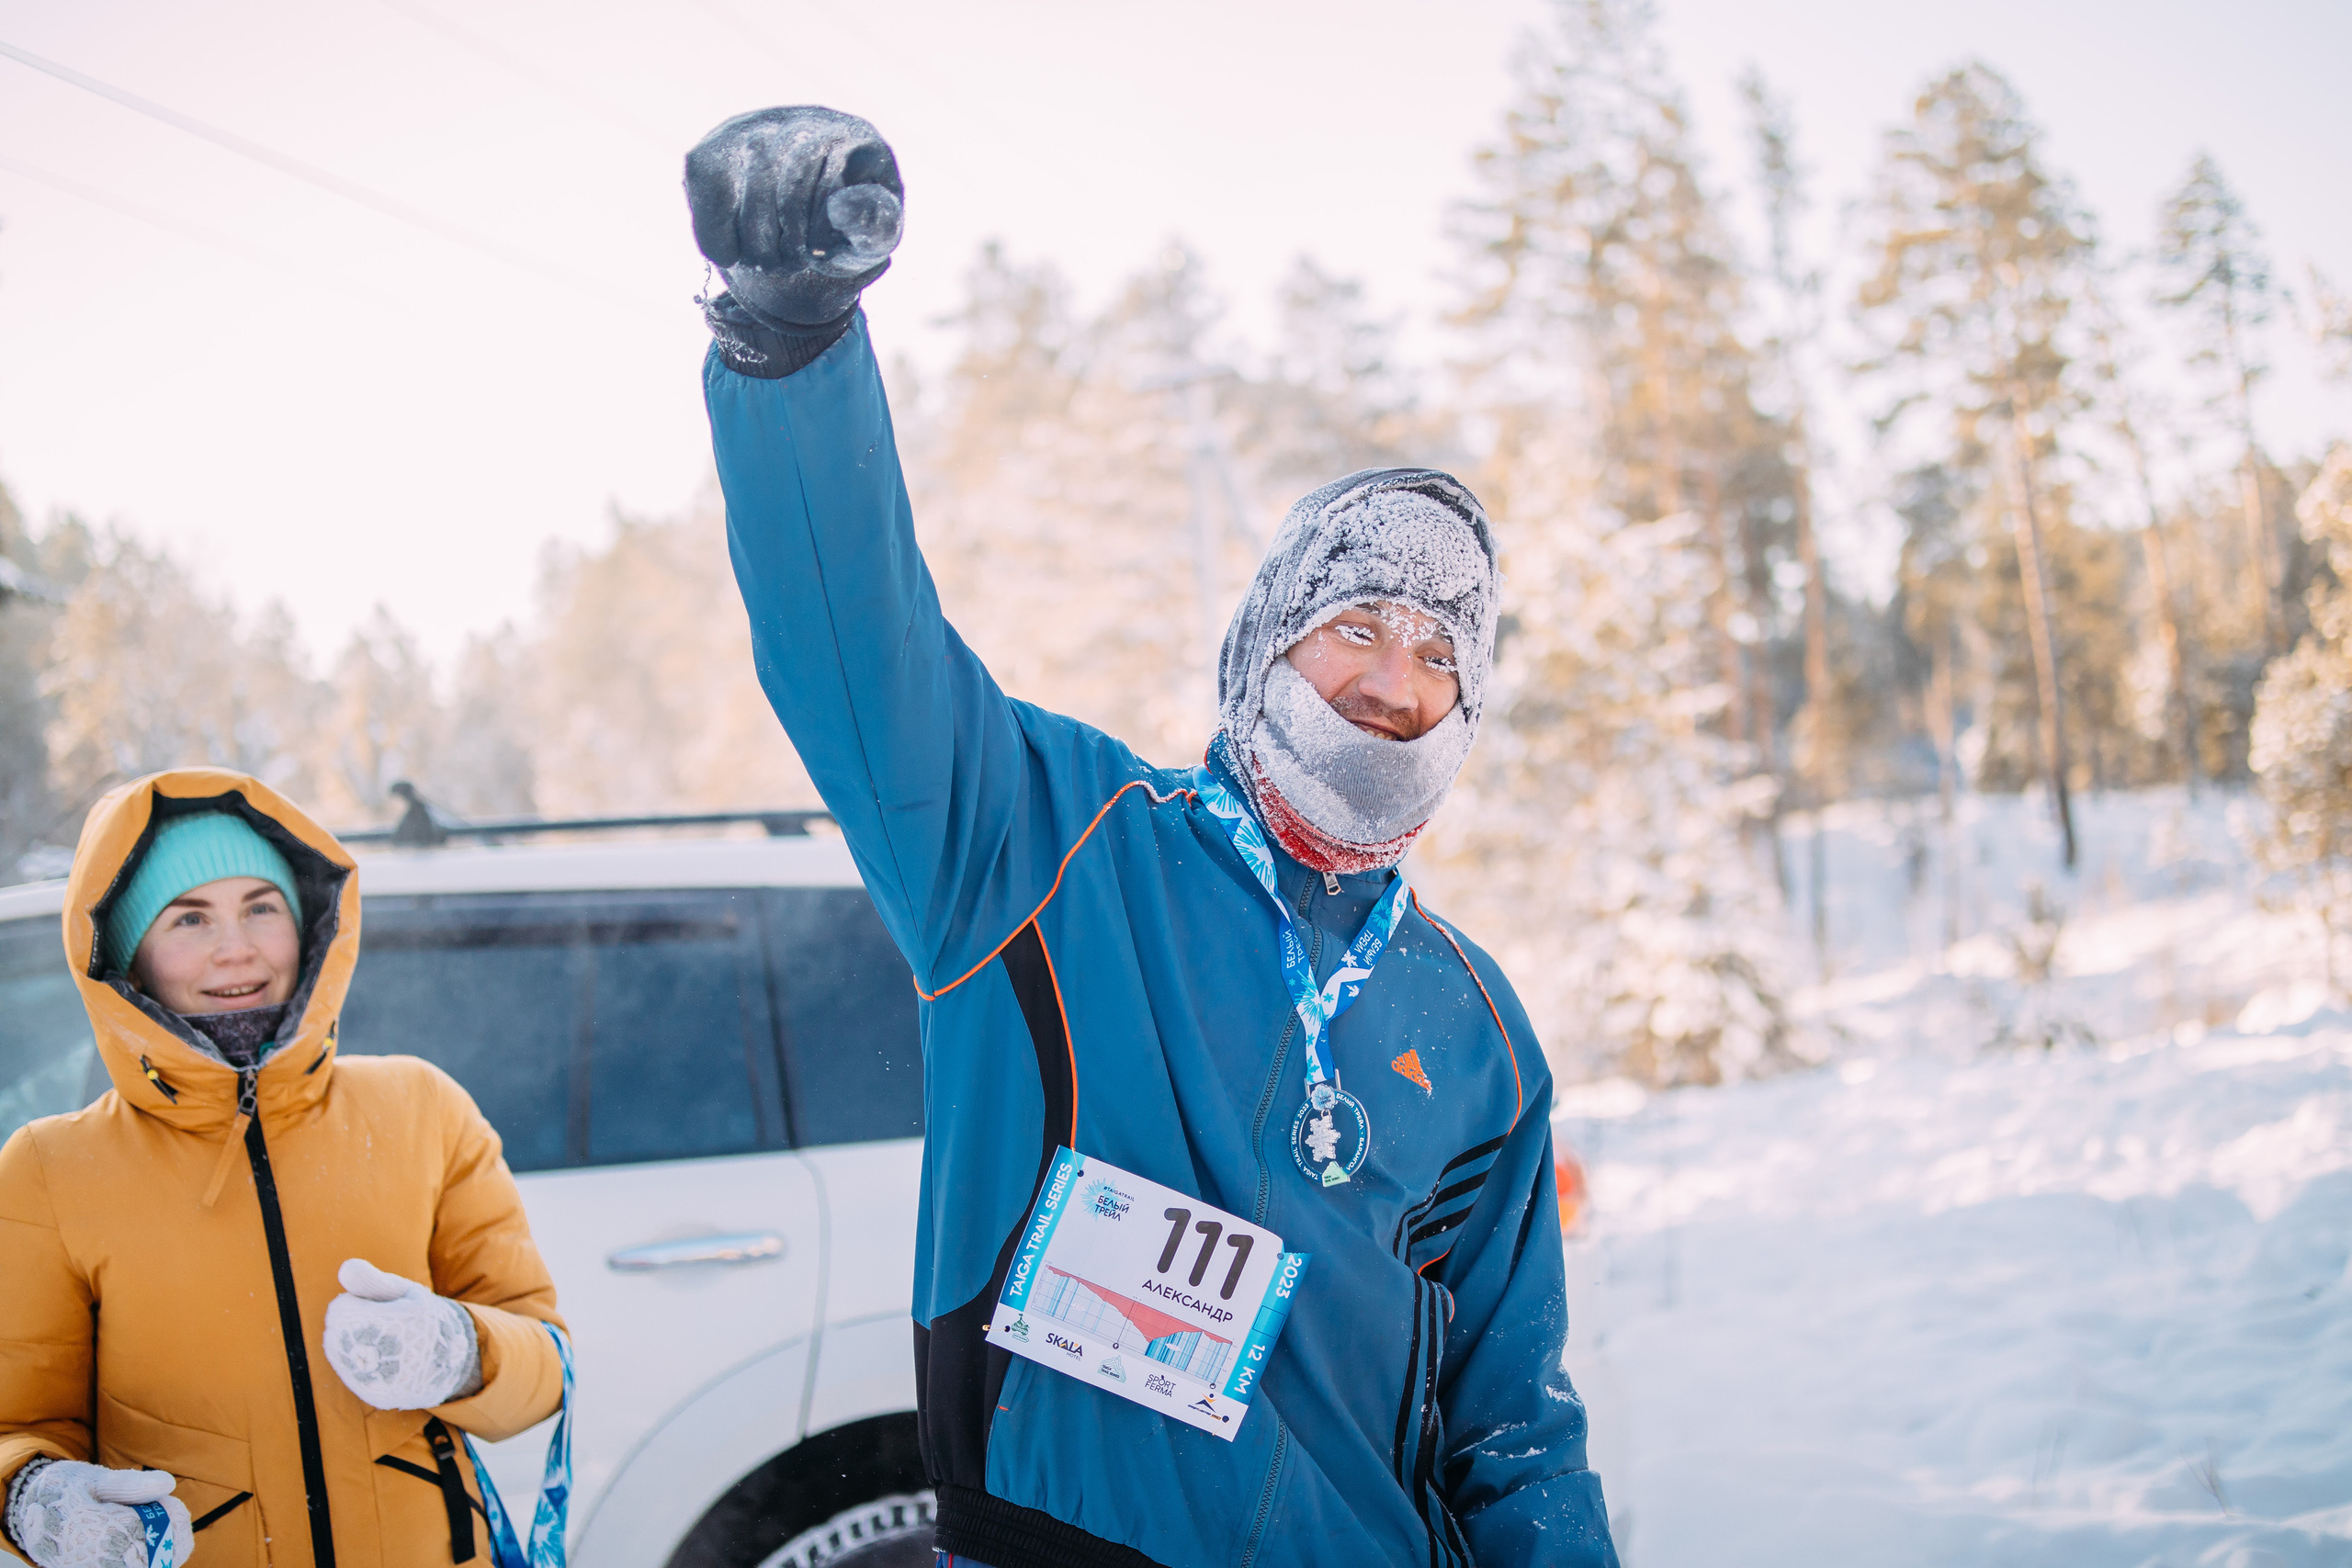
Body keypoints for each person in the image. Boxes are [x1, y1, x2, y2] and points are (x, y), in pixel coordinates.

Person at [688, 107, 1617, 1568]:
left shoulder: (1480, 1023)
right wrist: (790, 348)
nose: (1395, 676)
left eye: (1442, 650)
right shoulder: (1051, 846)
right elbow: (851, 652)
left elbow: (1511, 1421)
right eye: (1355, 623)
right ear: (1263, 650)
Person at [0, 769, 568, 1568]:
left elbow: (545, 1367)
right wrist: (33, 1498)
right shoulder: (51, 1170)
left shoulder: (421, 1109)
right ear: (127, 953)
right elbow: (17, 1424)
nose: (236, 946)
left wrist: (462, 1349)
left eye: (261, 906)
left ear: (308, 923)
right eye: (189, 916)